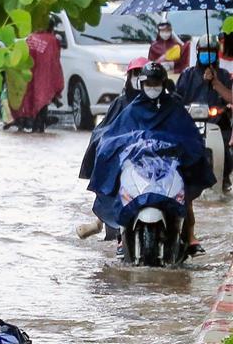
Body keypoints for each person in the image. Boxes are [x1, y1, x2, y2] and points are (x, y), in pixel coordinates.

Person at [87, 62, 216, 256]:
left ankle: (189, 236)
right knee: (120, 186)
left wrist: (175, 146)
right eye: (149, 82)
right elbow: (113, 135)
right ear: (141, 83)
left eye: (156, 82)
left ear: (163, 84)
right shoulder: (131, 108)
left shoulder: (174, 107)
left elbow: (191, 137)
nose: (152, 86)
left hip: (168, 167)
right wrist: (131, 143)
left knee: (184, 193)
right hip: (138, 166)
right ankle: (122, 237)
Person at [77, 56, 148, 239]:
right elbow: (104, 132)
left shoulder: (159, 104)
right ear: (129, 77)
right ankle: (107, 224)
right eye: (135, 74)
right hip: (124, 159)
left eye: (143, 74)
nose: (139, 78)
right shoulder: (120, 103)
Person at [176, 34, 233, 193]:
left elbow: (229, 99)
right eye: (203, 51)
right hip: (189, 122)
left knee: (226, 149)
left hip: (217, 122)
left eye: (211, 51)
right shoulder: (187, 75)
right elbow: (177, 98)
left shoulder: (223, 75)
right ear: (197, 52)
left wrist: (222, 107)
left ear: (216, 52)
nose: (207, 54)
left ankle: (224, 178)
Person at [6, 21, 64, 132]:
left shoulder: (30, 38)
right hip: (45, 76)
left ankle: (26, 122)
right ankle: (38, 126)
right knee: (41, 101)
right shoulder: (52, 40)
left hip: (29, 74)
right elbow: (55, 60)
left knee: (29, 99)